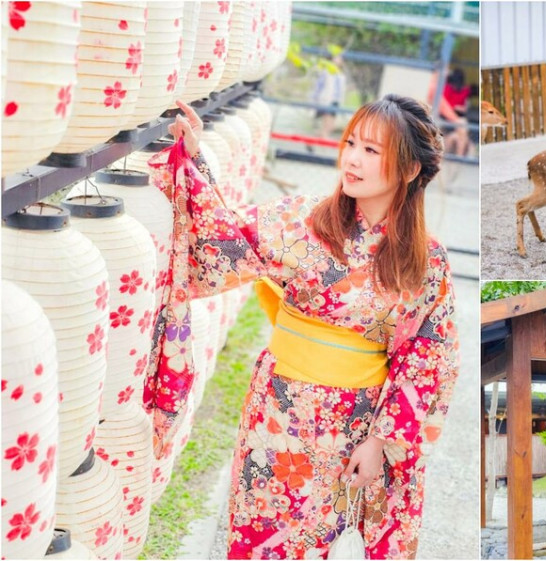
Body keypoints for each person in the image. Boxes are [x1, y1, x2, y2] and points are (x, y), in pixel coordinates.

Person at [160, 96, 459, 559]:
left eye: (372, 150)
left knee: (333, 540)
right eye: (351, 143)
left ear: (409, 170)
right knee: (264, 535)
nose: (352, 159)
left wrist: (380, 441)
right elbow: (224, 237)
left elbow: (428, 356)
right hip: (278, 413)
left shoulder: (426, 260)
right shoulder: (303, 221)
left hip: (358, 425)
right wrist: (195, 160)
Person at [428, 68, 472, 157]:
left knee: (460, 133)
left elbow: (465, 106)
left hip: (452, 118)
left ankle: (459, 157)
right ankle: (459, 157)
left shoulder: (462, 90)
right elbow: (444, 107)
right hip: (446, 118)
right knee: (461, 125)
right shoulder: (441, 88)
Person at [311, 53, 347, 142]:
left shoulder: (341, 74)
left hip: (336, 100)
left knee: (331, 122)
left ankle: (317, 137)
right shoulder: (326, 72)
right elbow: (319, 86)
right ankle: (324, 137)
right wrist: (315, 98)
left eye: (340, 59)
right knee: (327, 120)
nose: (339, 60)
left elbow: (342, 89)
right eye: (337, 58)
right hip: (326, 99)